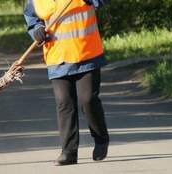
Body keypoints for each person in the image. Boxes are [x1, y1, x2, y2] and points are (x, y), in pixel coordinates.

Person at [24, 0, 110, 166]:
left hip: (87, 54)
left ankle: (101, 140)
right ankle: (69, 152)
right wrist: (36, 30)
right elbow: (31, 18)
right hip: (57, 58)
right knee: (64, 103)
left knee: (88, 100)